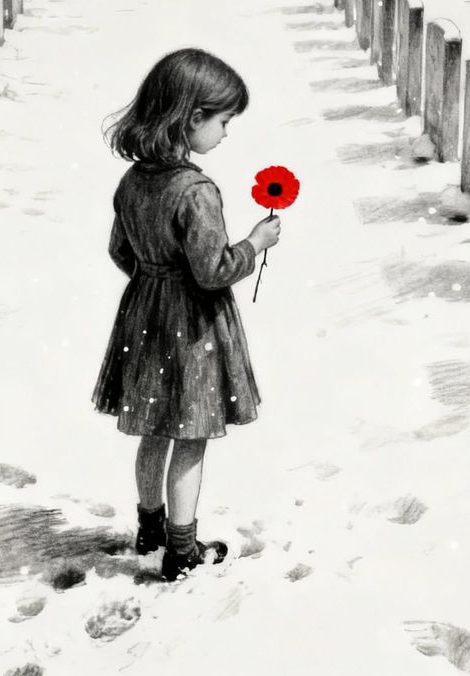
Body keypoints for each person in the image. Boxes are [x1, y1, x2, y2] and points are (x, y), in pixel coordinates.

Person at [92, 48, 282, 583]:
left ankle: (148, 527)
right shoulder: (196, 190)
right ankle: (180, 550)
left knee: (154, 430)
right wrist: (254, 242)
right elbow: (214, 270)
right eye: (222, 122)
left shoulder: (133, 181)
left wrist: (154, 283)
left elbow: (121, 252)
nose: (225, 134)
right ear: (192, 117)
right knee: (191, 435)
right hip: (193, 328)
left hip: (145, 316)